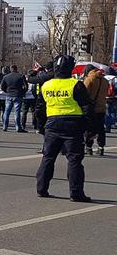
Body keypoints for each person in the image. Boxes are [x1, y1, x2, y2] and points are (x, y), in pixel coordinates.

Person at [36, 55, 93, 203]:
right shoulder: (76, 84)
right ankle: (76, 193)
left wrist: (41, 127)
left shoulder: (46, 85)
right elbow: (87, 107)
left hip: (52, 123)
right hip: (73, 125)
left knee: (48, 157)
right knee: (74, 160)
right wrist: (88, 128)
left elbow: (39, 109)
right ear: (70, 68)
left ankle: (41, 189)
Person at [82, 65, 108, 156]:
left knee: (89, 128)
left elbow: (84, 93)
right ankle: (101, 147)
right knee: (101, 128)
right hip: (102, 107)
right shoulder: (105, 81)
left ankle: (89, 147)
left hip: (91, 108)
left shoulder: (89, 79)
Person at [0, 65, 28, 132]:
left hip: (9, 95)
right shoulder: (21, 76)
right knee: (17, 112)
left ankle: (5, 126)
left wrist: (6, 91)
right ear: (16, 69)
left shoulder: (6, 77)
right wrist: (22, 92)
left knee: (7, 112)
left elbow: (2, 87)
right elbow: (26, 86)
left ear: (10, 69)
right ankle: (18, 127)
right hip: (18, 95)